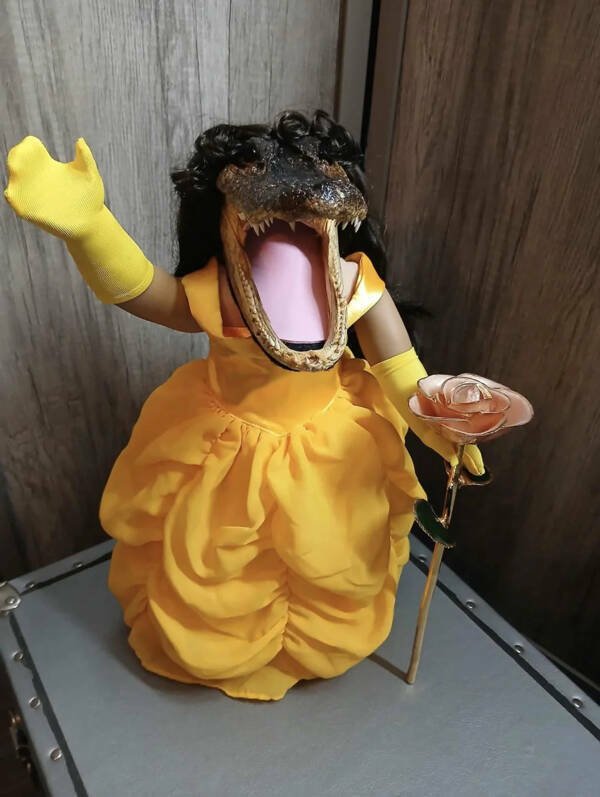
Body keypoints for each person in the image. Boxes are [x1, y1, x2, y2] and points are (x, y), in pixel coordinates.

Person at [4, 110, 483, 700]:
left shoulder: (355, 284)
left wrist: (439, 427)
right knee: (216, 564)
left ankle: (318, 642)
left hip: (334, 450)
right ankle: (224, 648)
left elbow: (400, 370)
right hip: (225, 451)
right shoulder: (220, 287)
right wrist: (89, 227)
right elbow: (147, 292)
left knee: (335, 551)